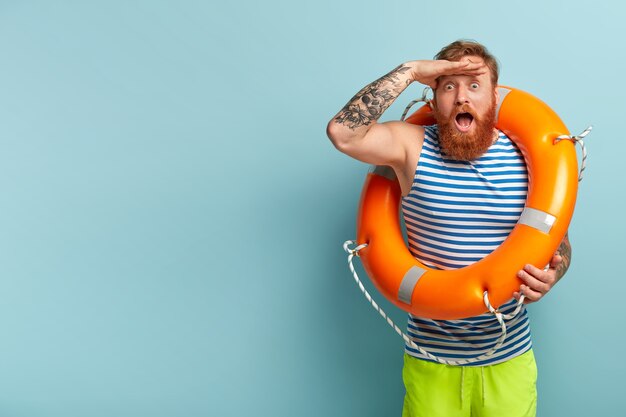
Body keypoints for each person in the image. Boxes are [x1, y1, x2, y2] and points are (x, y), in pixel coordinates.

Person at [326, 40, 572, 417]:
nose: (461, 98)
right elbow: (343, 133)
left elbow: (558, 241)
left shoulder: (526, 157)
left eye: (474, 85)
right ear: (434, 96)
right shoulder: (410, 147)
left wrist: (554, 272)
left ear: (495, 96)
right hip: (431, 362)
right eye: (448, 85)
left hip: (509, 357)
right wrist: (409, 71)